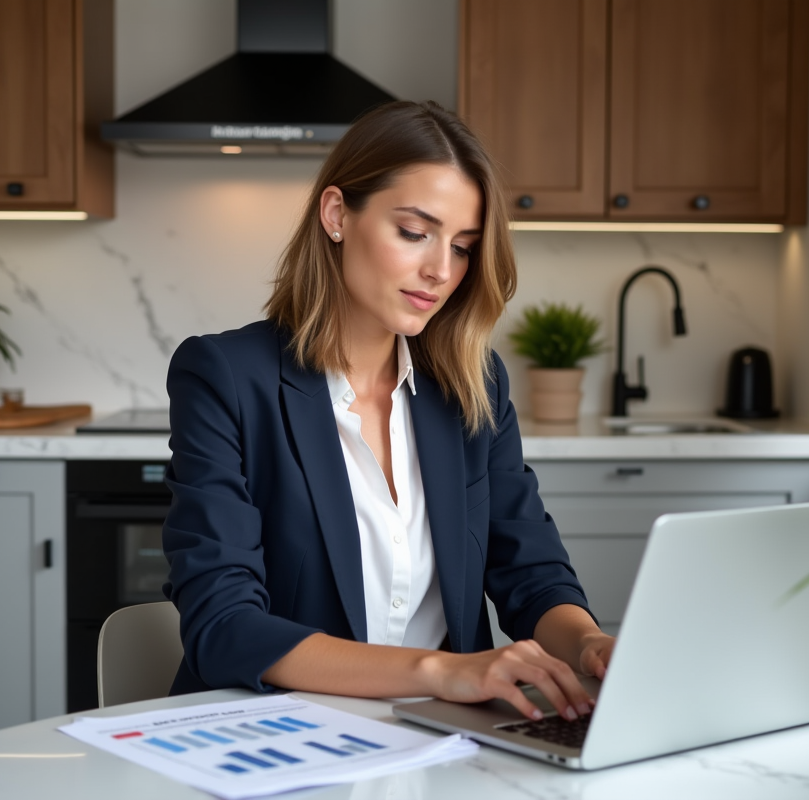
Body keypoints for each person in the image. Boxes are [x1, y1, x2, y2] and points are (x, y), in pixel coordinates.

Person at [162, 100, 615, 723]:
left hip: (442, 740)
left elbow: (530, 570)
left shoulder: (473, 386)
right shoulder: (225, 377)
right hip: (277, 739)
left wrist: (589, 644)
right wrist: (443, 671)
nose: (440, 270)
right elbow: (224, 625)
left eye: (462, 247)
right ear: (337, 215)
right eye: (413, 232)